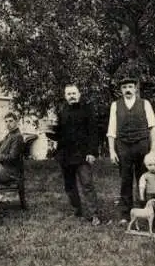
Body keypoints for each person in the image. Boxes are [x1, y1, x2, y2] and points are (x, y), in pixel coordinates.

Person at [106, 76, 155, 224]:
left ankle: (145, 210)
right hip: (123, 146)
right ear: (121, 91)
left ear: (135, 88)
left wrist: (153, 150)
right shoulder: (115, 106)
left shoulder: (145, 104)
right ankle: (125, 214)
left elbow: (153, 127)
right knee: (125, 180)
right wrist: (112, 151)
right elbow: (111, 130)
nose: (127, 90)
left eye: (130, 86)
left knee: (144, 178)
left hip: (142, 146)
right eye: (124, 87)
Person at [49, 84, 101, 226]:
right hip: (66, 155)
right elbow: (58, 134)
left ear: (79, 94)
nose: (71, 96)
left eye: (74, 93)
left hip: (83, 155)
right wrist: (50, 130)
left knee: (87, 184)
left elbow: (94, 132)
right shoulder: (62, 111)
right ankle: (77, 209)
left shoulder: (87, 109)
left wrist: (92, 152)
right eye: (69, 94)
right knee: (69, 186)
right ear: (65, 96)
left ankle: (94, 214)